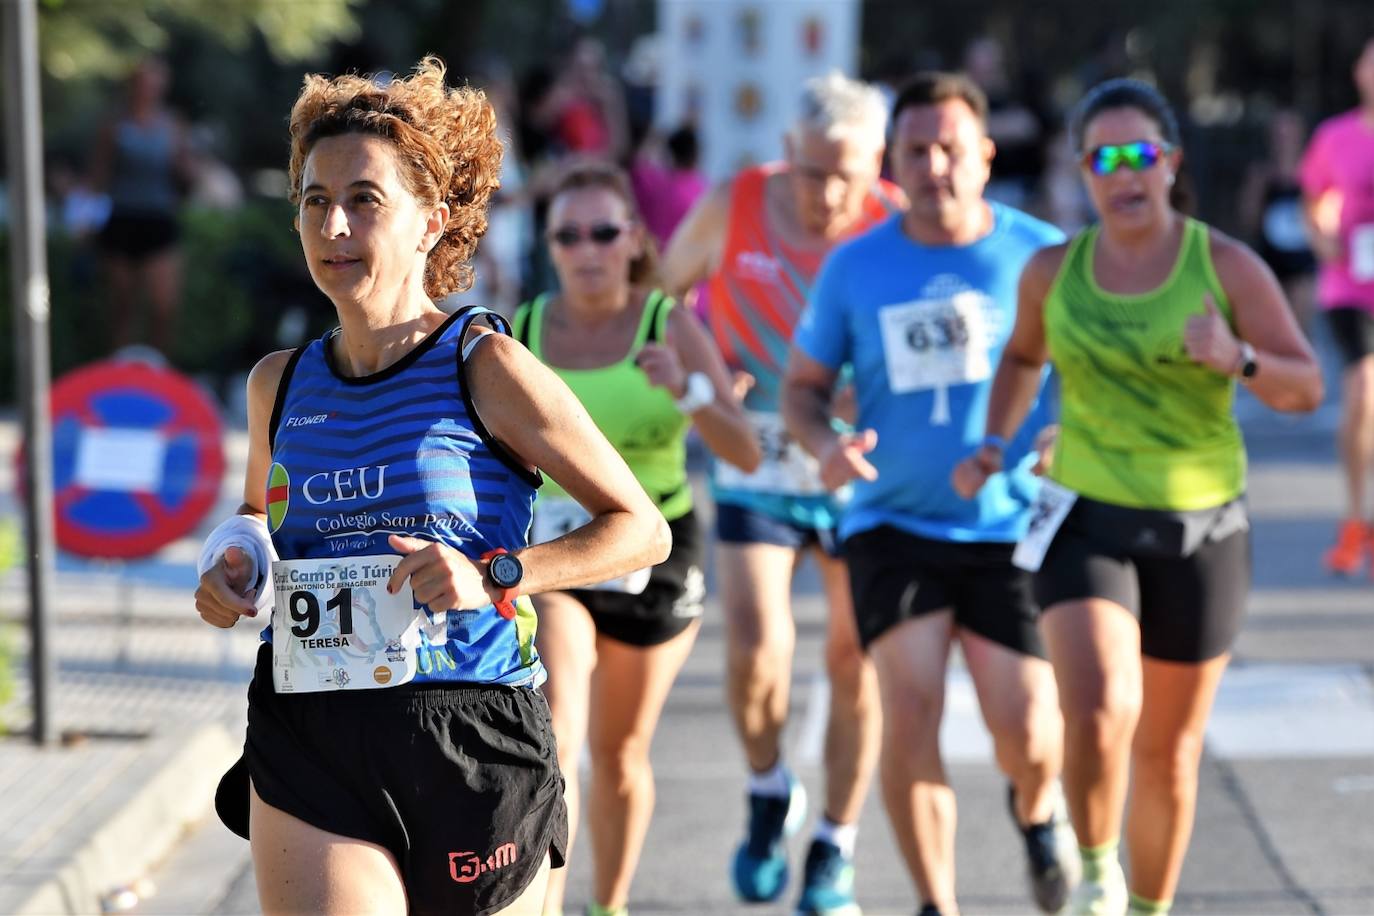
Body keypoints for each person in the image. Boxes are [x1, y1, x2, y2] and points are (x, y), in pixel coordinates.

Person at [193, 58, 671, 916]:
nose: (333, 223)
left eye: (365, 199)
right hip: (312, 727)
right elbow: (258, 519)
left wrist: (498, 574)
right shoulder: (281, 383)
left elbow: (640, 528)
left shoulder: (484, 366)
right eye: (313, 200)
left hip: (473, 732)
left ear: (431, 223)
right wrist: (234, 564)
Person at [957, 78, 1322, 915]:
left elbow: (1302, 387)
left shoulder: (1224, 264)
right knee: (1097, 707)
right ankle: (1094, 873)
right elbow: (1020, 359)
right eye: (1104, 158)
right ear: (1083, 172)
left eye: (1141, 155)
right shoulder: (1055, 270)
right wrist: (991, 443)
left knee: (1169, 753)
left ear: (1171, 163)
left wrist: (1240, 360)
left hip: (1203, 523)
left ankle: (1149, 909)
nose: (1124, 173)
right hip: (1085, 513)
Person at [783, 71, 1075, 916]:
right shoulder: (855, 266)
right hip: (890, 521)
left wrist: (1065, 439)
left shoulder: (1041, 252)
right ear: (892, 161)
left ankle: (1040, 811)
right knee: (909, 712)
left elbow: (1087, 376)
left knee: (1025, 728)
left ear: (984, 156)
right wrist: (824, 445)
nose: (935, 164)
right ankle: (936, 904)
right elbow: (803, 388)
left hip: (1007, 521)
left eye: (951, 147)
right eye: (917, 148)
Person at [662, 71, 902, 914]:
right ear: (787, 155)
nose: (827, 193)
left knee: (855, 661)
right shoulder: (737, 203)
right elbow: (662, 294)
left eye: (847, 174)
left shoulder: (896, 223)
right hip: (757, 452)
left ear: (877, 166)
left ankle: (835, 846)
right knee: (757, 648)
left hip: (857, 466)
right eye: (811, 171)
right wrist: (701, 366)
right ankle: (768, 789)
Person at [514, 163, 759, 916]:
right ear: (550, 247)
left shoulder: (667, 323)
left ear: (633, 242)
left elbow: (744, 449)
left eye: (603, 232)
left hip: (655, 551)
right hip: (559, 554)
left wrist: (683, 390)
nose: (586, 248)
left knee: (620, 756)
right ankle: (543, 904)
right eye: (568, 234)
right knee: (555, 736)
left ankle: (609, 906)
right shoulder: (519, 332)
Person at [1300, 36, 1374, 576]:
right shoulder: (1335, 136)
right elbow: (1315, 200)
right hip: (1351, 286)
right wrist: (1323, 235)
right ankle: (1355, 517)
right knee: (1364, 393)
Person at [87, 57, 193, 355]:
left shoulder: (173, 125)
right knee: (122, 306)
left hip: (159, 219)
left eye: (155, 82)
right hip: (122, 218)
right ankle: (119, 371)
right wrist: (83, 215)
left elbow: (186, 177)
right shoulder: (115, 125)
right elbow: (99, 174)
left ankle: (159, 371)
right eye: (144, 82)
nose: (149, 88)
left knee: (164, 305)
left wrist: (186, 168)